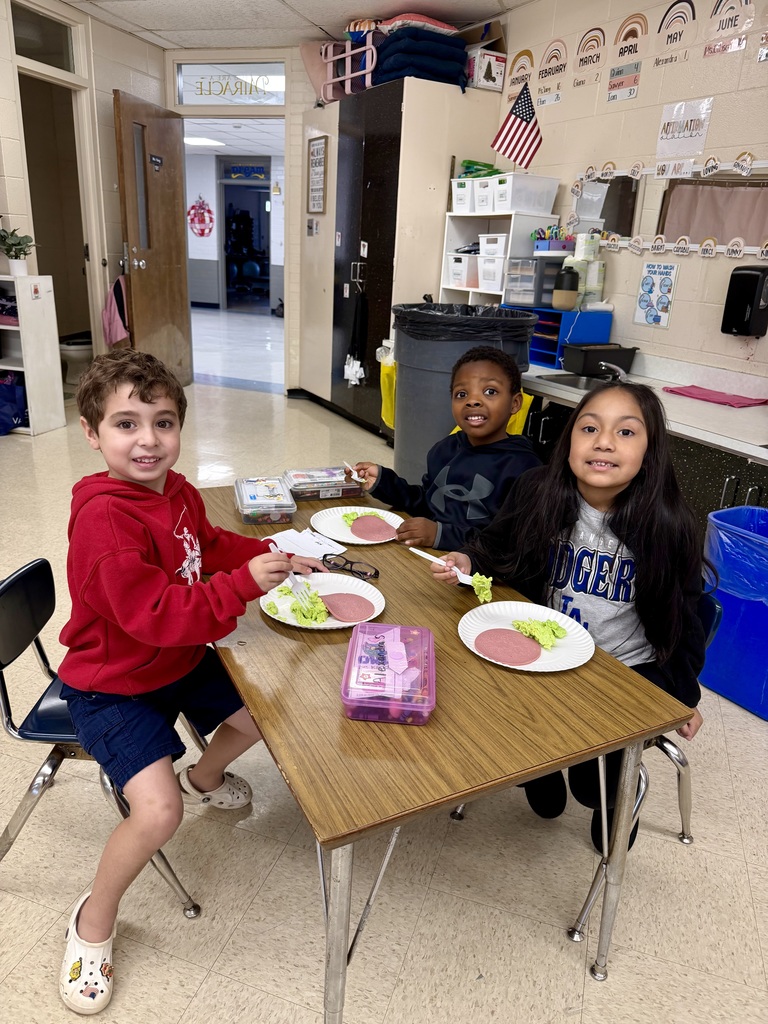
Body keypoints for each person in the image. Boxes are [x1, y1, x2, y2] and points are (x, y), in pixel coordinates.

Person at [56, 350, 325, 1015]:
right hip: (113, 683)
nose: (147, 440)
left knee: (267, 716)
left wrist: (267, 554)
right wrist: (240, 587)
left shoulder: (173, 490)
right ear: (93, 434)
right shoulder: (105, 520)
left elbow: (205, 545)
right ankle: (93, 921)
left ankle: (203, 776)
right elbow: (154, 615)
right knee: (157, 812)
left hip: (173, 662)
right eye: (126, 424)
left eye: (163, 421)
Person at [430, 382, 709, 850]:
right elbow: (499, 548)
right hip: (548, 653)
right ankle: (537, 773)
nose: (603, 441)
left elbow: (686, 619)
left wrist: (681, 694)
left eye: (625, 432)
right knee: (503, 715)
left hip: (625, 673)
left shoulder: (669, 524)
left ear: (651, 451)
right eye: (589, 428)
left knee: (591, 783)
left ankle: (617, 803)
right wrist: (468, 562)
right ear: (569, 441)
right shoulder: (538, 490)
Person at [349, 346, 540, 549]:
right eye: (461, 394)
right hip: (431, 560)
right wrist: (384, 481)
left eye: (490, 391)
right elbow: (428, 504)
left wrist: (440, 535)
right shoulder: (445, 450)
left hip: (476, 574)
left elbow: (509, 545)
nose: (473, 401)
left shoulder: (525, 469)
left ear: (515, 403)